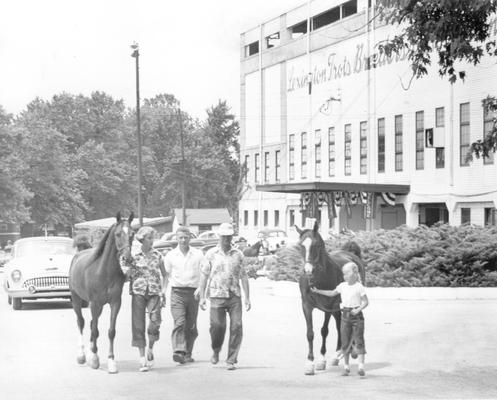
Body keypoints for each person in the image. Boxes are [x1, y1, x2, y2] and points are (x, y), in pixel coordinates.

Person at [199, 222, 251, 371]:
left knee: (237, 326)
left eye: (229, 237)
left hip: (234, 295)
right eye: (224, 237)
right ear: (219, 237)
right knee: (217, 326)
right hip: (216, 295)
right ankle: (216, 349)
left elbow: (244, 276)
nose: (227, 240)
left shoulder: (238, 254)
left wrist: (247, 297)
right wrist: (202, 296)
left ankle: (231, 359)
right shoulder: (211, 254)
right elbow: (204, 276)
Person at [311, 261, 369, 377]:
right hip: (345, 315)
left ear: (354, 274)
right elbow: (332, 293)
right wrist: (318, 291)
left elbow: (366, 302)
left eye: (346, 274)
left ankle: (361, 367)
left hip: (357, 316)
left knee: (359, 340)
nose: (344, 276)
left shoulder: (359, 287)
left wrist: (358, 310)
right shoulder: (342, 286)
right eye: (343, 274)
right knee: (345, 341)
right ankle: (346, 367)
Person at [127, 226, 167, 372]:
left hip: (155, 292)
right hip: (138, 292)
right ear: (142, 239)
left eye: (153, 238)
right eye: (149, 238)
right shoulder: (134, 256)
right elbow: (126, 275)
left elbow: (165, 275)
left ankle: (151, 347)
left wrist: (163, 291)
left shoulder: (158, 255)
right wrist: (128, 268)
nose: (152, 241)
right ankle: (142, 359)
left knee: (154, 322)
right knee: (138, 325)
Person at [163, 226, 204, 364]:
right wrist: (163, 292)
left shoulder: (198, 254)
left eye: (186, 237)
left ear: (190, 238)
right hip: (177, 293)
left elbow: (204, 273)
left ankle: (188, 353)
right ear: (176, 238)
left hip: (193, 293)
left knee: (191, 325)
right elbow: (165, 275)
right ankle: (178, 351)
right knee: (179, 322)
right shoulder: (170, 255)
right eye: (180, 237)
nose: (183, 240)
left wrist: (201, 289)